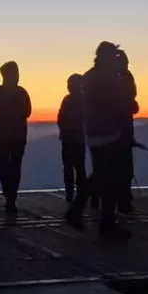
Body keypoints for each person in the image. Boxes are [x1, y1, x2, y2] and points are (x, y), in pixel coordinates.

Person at [65, 41, 134, 240]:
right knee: (108, 178)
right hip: (109, 132)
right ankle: (98, 220)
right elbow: (123, 103)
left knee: (101, 176)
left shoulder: (90, 76)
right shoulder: (108, 78)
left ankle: (92, 217)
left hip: (94, 132)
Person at [0, 61, 32, 214]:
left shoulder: (9, 92)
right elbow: (27, 111)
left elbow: (27, 111)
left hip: (9, 135)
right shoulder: (18, 92)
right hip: (13, 135)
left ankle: (10, 197)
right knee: (10, 166)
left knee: (8, 166)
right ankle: (10, 197)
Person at [115, 49, 138, 213]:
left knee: (122, 162)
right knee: (123, 162)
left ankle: (123, 193)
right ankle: (123, 195)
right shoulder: (125, 77)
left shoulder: (118, 77)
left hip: (121, 126)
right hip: (120, 125)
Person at [58, 74, 87, 203]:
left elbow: (61, 118)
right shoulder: (84, 100)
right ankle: (81, 193)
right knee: (79, 167)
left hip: (69, 138)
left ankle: (70, 193)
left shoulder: (68, 100)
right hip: (78, 139)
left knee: (69, 167)